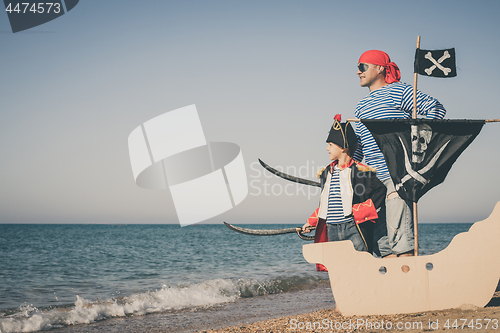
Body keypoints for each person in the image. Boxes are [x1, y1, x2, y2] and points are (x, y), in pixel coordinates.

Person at [353, 50, 446, 258]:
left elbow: (435, 108)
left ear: (379, 68)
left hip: (397, 177)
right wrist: (343, 170)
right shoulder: (360, 106)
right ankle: (394, 288)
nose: (358, 72)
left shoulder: (399, 91)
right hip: (374, 183)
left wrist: (419, 147)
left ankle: (411, 287)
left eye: (362, 66)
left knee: (401, 241)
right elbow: (359, 146)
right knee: (382, 244)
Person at [302, 115, 387, 270]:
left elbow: (381, 190)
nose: (327, 148)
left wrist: (361, 211)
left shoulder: (361, 171)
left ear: (342, 147)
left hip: (353, 227)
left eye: (330, 144)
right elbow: (326, 203)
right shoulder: (327, 172)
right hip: (332, 228)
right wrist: (311, 221)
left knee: (361, 266)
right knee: (339, 268)